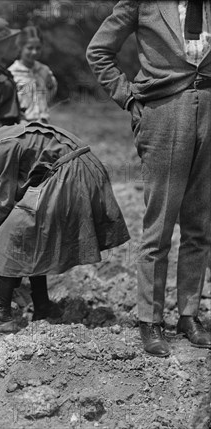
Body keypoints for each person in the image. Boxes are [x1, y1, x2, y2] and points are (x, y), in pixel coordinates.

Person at [87, 1, 211, 356]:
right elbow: (98, 50)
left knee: (200, 225)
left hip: (209, 114)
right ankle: (150, 321)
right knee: (159, 224)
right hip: (162, 113)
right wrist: (127, 96)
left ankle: (189, 316)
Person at [0, 117, 130, 333]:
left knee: (9, 234)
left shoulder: (3, 147)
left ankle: (1, 317)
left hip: (74, 173)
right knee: (29, 233)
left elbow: (2, 202)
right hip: (75, 169)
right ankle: (43, 306)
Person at [8, 26, 58, 123]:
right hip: (23, 126)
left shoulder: (44, 70)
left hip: (44, 124)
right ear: (20, 47)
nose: (34, 52)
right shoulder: (12, 73)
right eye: (30, 48)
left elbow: (52, 88)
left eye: (38, 48)